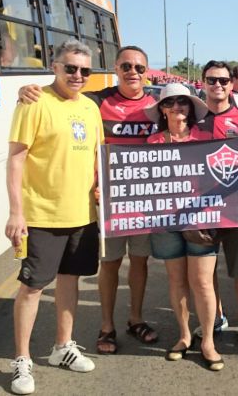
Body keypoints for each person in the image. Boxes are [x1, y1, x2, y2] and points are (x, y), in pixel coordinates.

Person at [17, 45, 160, 355]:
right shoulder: (97, 101)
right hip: (109, 201)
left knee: (139, 261)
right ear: (115, 68)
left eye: (139, 67)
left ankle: (135, 319)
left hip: (144, 201)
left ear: (146, 72)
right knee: (110, 263)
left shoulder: (157, 105)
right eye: (126, 66)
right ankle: (106, 326)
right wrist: (25, 90)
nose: (132, 72)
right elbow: (62, 97)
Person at [5, 39, 103, 395]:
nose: (78, 75)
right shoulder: (33, 102)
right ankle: (22, 360)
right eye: (70, 68)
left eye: (84, 70)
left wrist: (100, 187)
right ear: (55, 66)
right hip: (41, 215)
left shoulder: (91, 108)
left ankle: (63, 346)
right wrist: (16, 212)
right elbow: (16, 158)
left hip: (82, 214)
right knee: (32, 287)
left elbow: (96, 155)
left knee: (69, 280)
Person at [144, 83, 226, 369]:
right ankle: (184, 335)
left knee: (202, 282)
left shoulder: (206, 138)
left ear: (191, 107)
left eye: (183, 101)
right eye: (170, 103)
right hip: (165, 220)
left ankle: (208, 342)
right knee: (176, 281)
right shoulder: (152, 142)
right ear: (162, 110)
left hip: (200, 220)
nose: (177, 107)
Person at [195, 60, 238, 347]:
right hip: (200, 209)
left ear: (232, 84)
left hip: (236, 207)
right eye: (212, 80)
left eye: (223, 80)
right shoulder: (193, 118)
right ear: (203, 82)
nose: (217, 85)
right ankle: (216, 316)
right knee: (206, 271)